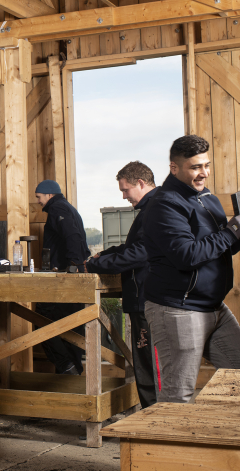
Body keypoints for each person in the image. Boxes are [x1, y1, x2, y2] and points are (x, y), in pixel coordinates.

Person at [143, 135, 240, 403]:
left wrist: (236, 234)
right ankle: (163, 445)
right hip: (178, 309)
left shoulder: (207, 197)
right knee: (177, 395)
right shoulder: (164, 203)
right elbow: (186, 256)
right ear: (174, 168)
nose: (204, 173)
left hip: (213, 306)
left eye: (206, 165)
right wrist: (233, 231)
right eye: (196, 167)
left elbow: (222, 248)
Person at [85, 162, 158, 408]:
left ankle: (155, 422)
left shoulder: (154, 210)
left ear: (140, 183)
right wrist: (105, 255)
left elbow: (140, 253)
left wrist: (96, 266)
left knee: (149, 366)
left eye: (125, 190)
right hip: (148, 297)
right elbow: (133, 248)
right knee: (147, 364)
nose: (124, 196)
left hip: (147, 299)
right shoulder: (150, 210)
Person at [34, 179, 91, 375]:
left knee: (41, 319)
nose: (38, 201)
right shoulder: (65, 208)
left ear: (49, 195)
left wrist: (74, 270)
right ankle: (71, 374)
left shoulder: (58, 208)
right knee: (71, 327)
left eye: (39, 197)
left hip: (66, 279)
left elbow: (73, 237)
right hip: (70, 277)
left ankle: (67, 367)